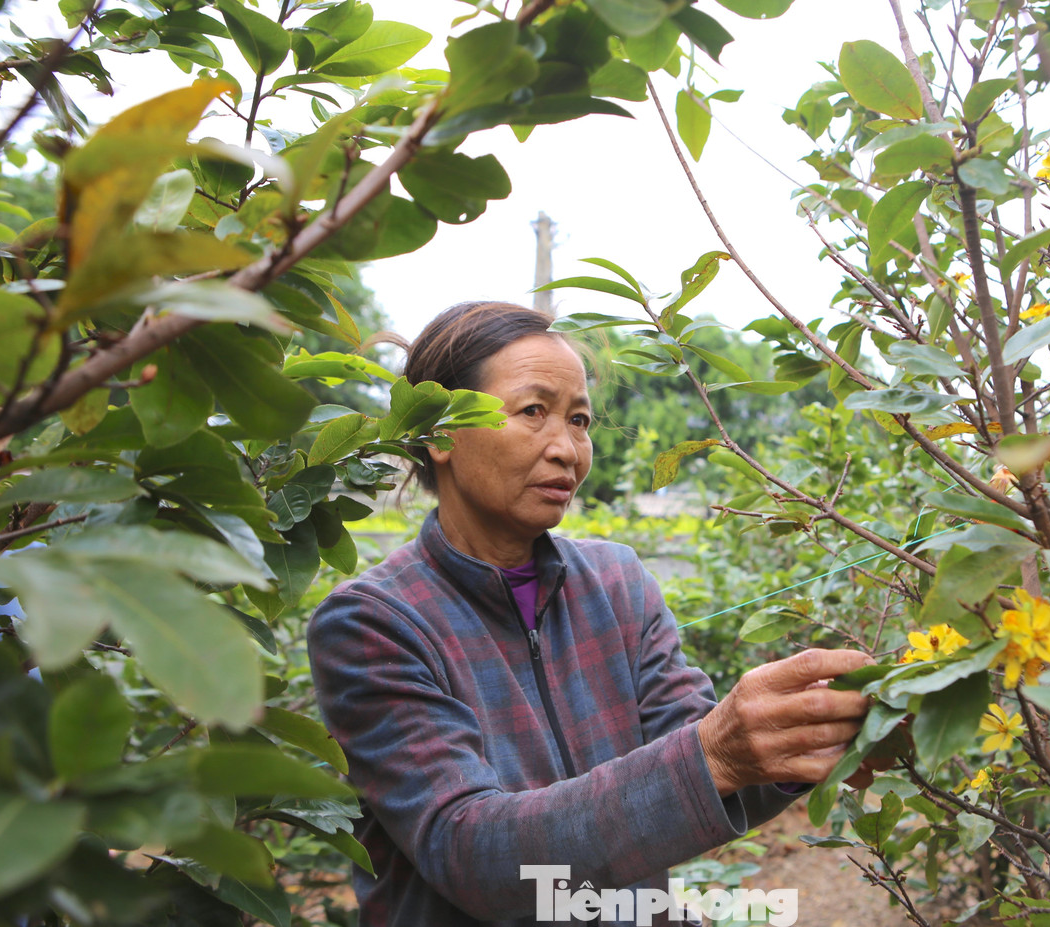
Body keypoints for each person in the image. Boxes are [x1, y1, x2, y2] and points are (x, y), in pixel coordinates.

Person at [308, 302, 879, 927]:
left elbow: (692, 762)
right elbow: (469, 850)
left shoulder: (616, 582)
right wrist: (714, 754)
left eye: (578, 420)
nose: (567, 450)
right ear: (440, 434)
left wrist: (804, 740)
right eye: (533, 411)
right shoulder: (373, 623)